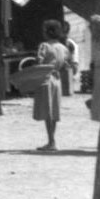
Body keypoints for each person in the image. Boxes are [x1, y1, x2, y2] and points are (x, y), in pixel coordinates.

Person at [34, 19, 70, 151]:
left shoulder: (44, 46)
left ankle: (51, 141)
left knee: (47, 110)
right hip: (57, 79)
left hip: (46, 78)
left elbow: (39, 61)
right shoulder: (63, 47)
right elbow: (67, 65)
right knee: (54, 110)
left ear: (48, 32)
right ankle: (51, 140)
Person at [60, 20, 79, 96]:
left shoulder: (68, 43)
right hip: (72, 65)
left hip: (71, 66)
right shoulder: (67, 42)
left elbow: (69, 58)